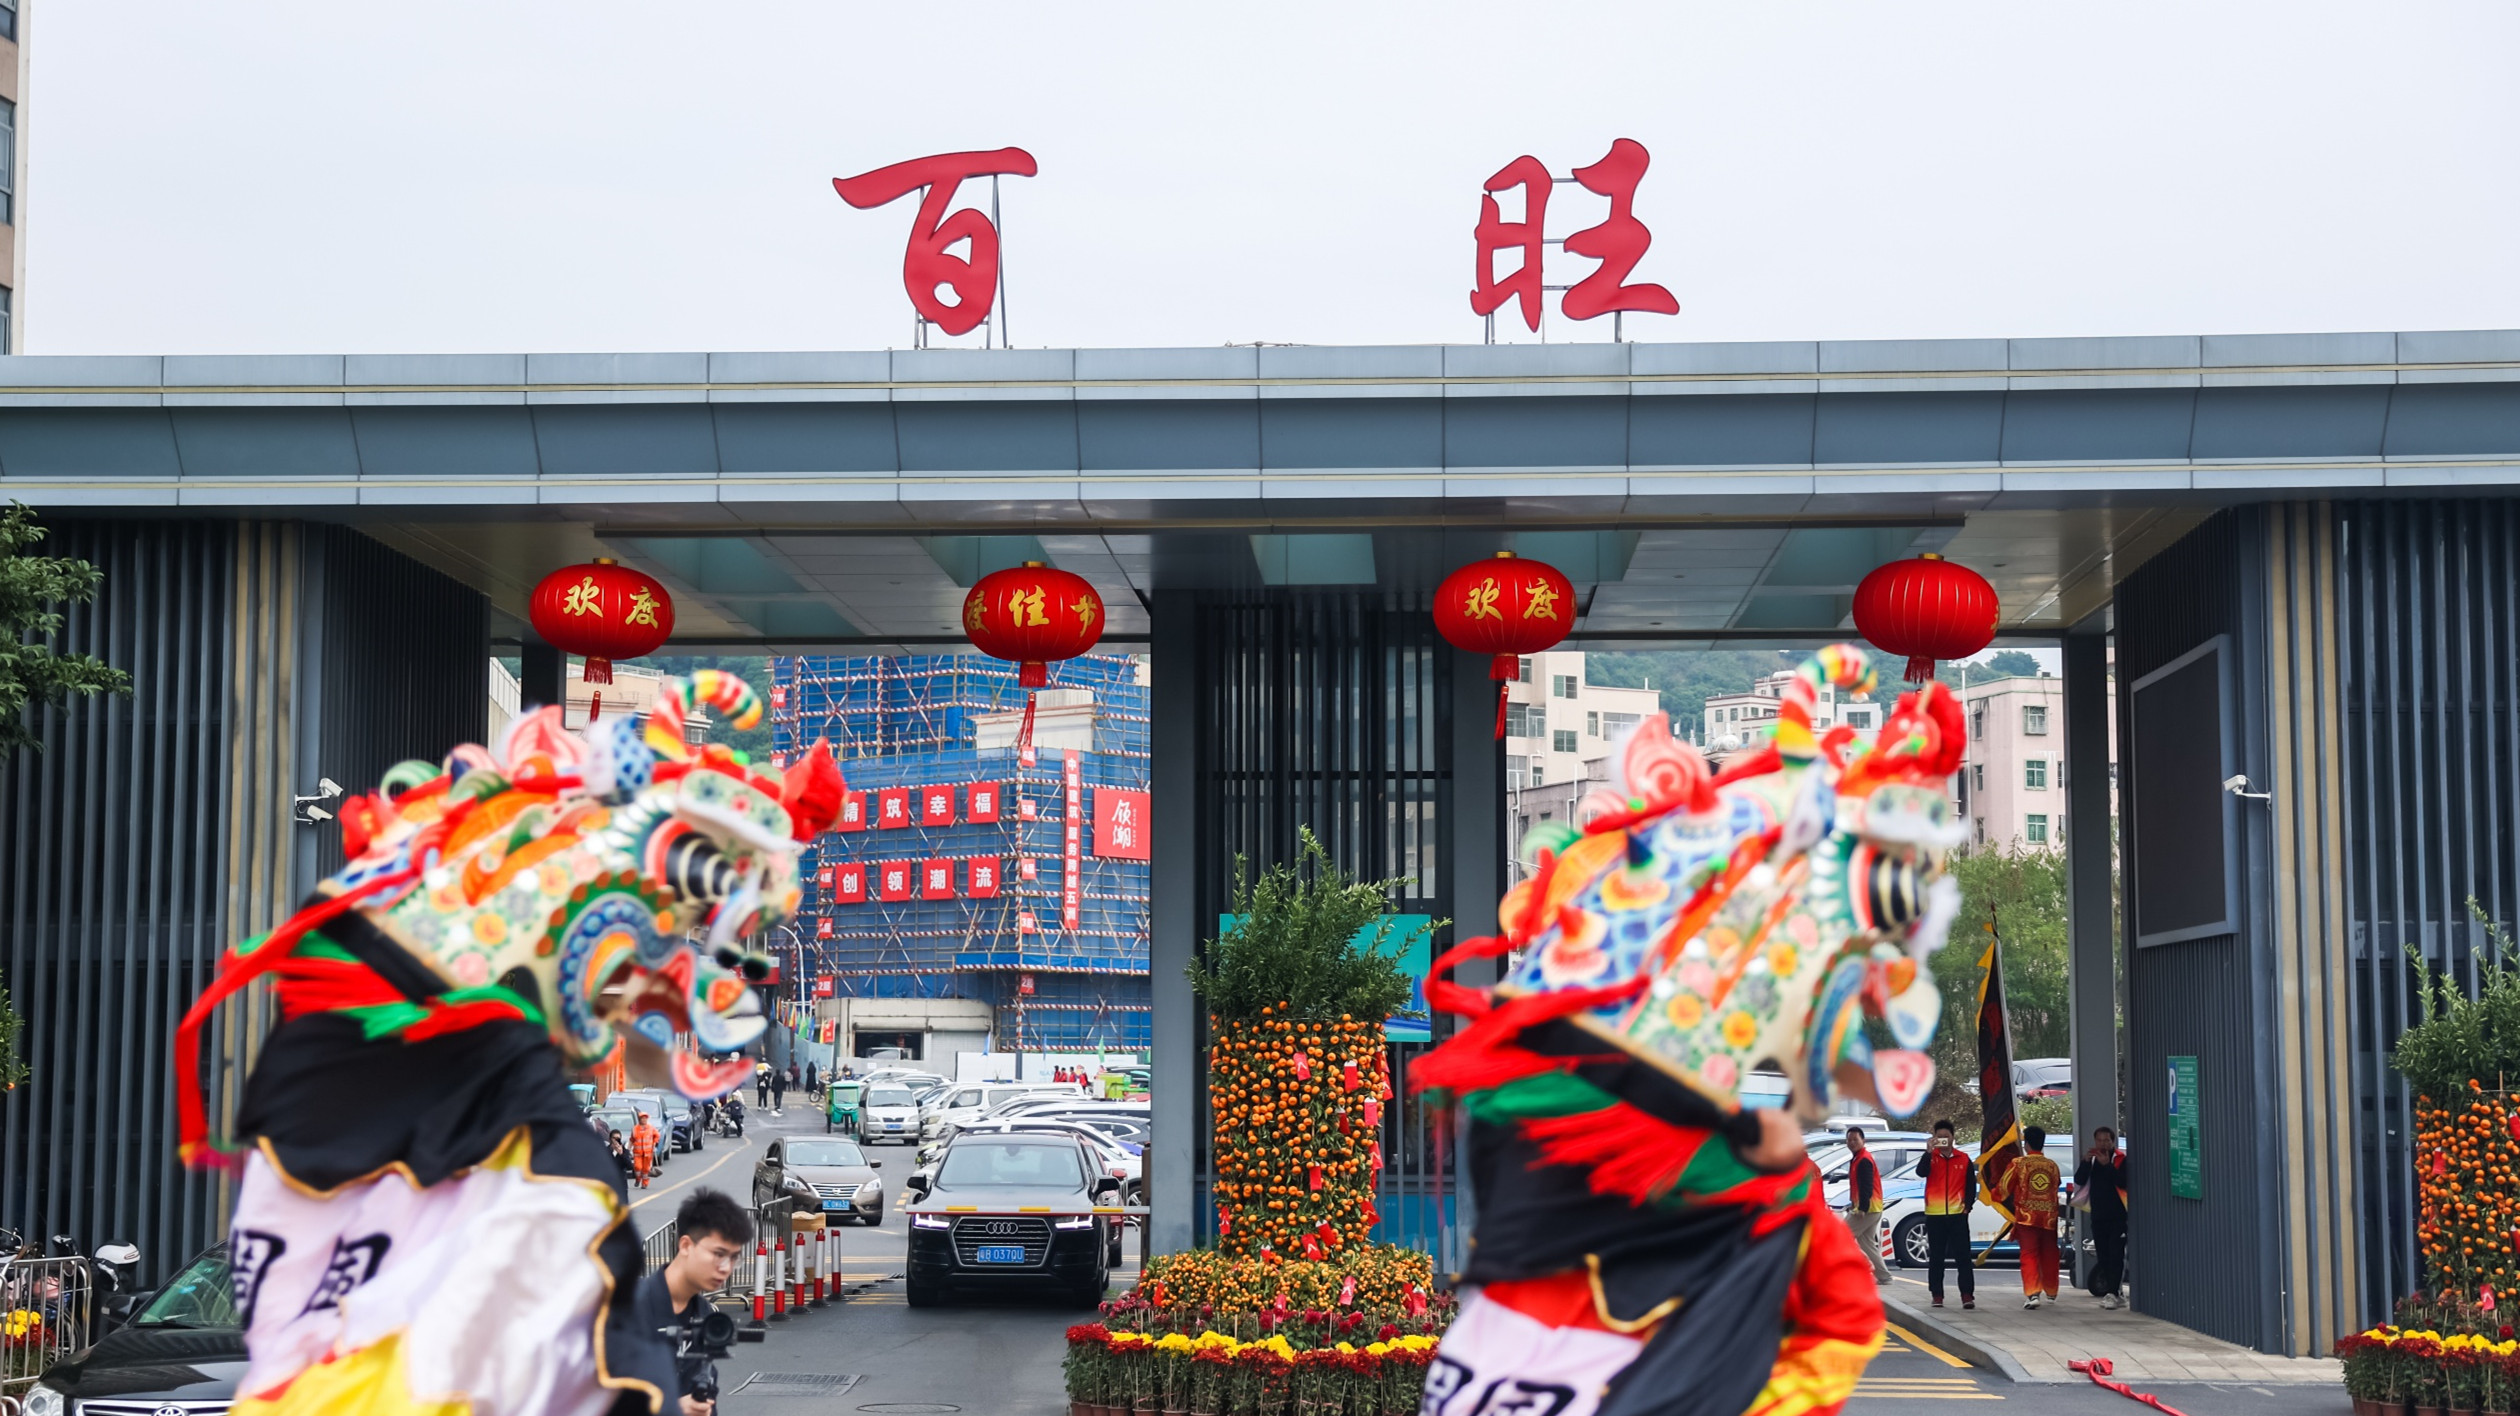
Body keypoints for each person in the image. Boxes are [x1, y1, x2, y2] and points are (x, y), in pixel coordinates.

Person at [636, 1188, 755, 1416]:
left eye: (733, 1258)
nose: (725, 1268)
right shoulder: (626, 1308)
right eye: (718, 1254)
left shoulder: (706, 1315)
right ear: (686, 1246)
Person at [1913, 1119, 1977, 1309]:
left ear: (1953, 1138)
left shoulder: (1963, 1158)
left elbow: (1971, 1186)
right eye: (1939, 1137)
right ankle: (1937, 1295)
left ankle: (1967, 1295)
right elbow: (1920, 1173)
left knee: (1963, 1256)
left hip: (1958, 1215)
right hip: (1935, 1215)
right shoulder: (1931, 1158)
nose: (1943, 1141)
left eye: (1946, 1137)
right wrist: (1927, 1152)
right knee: (1936, 1257)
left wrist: (1968, 1207)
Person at [2076, 1125, 2131, 1309]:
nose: (2103, 1144)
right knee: (2103, 1255)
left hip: (2118, 1215)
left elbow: (2123, 1182)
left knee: (2116, 1254)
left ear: (2112, 1141)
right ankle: (2114, 1290)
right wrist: (2085, 1162)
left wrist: (2107, 1165)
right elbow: (2079, 1180)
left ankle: (2113, 1293)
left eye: (2106, 1140)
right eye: (2099, 1140)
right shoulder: (2092, 1160)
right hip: (2098, 1214)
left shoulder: (2120, 1159)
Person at [2009, 1125, 2063, 1308]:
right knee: (2049, 1253)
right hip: (2049, 1217)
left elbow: (2003, 1187)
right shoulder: (2053, 1166)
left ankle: (2033, 1293)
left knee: (2029, 1254)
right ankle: (2051, 1292)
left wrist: (1994, 1196)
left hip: (2027, 1217)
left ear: (2026, 1143)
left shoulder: (2019, 1164)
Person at [1843, 1127, 1891, 1284]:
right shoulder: (1858, 1158)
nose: (1852, 1143)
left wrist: (1862, 1208)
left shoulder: (1864, 1159)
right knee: (1868, 1243)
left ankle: (1856, 1272)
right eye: (1849, 1140)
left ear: (1864, 1141)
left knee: (1841, 1236)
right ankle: (1884, 1277)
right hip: (1870, 1208)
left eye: (1855, 1139)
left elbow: (1867, 1186)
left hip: (1867, 1209)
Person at [630, 1112, 660, 1191]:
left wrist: (655, 1142)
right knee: (637, 1167)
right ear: (639, 1119)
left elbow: (657, 1135)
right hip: (637, 1153)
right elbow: (632, 1139)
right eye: (642, 1118)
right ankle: (638, 1179)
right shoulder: (635, 1129)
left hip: (648, 1153)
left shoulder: (651, 1128)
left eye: (645, 1118)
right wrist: (629, 1148)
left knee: (646, 1169)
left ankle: (645, 1183)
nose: (644, 1120)